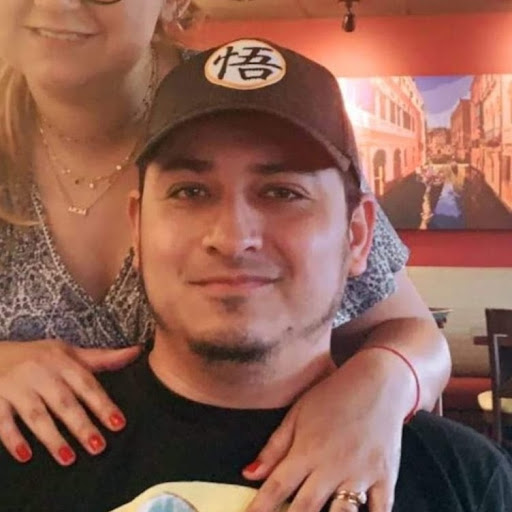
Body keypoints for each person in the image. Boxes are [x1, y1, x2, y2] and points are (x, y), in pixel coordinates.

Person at [1, 39, 510, 512]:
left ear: (357, 237)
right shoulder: (24, 453)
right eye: (189, 192)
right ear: (138, 227)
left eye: (283, 193)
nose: (231, 237)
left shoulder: (464, 478)